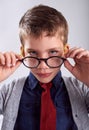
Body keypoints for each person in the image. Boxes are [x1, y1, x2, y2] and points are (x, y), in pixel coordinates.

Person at [0, 4, 89, 130]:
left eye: (53, 52)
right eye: (33, 53)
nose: (42, 66)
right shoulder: (8, 92)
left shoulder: (82, 90)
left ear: (65, 51)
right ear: (23, 52)